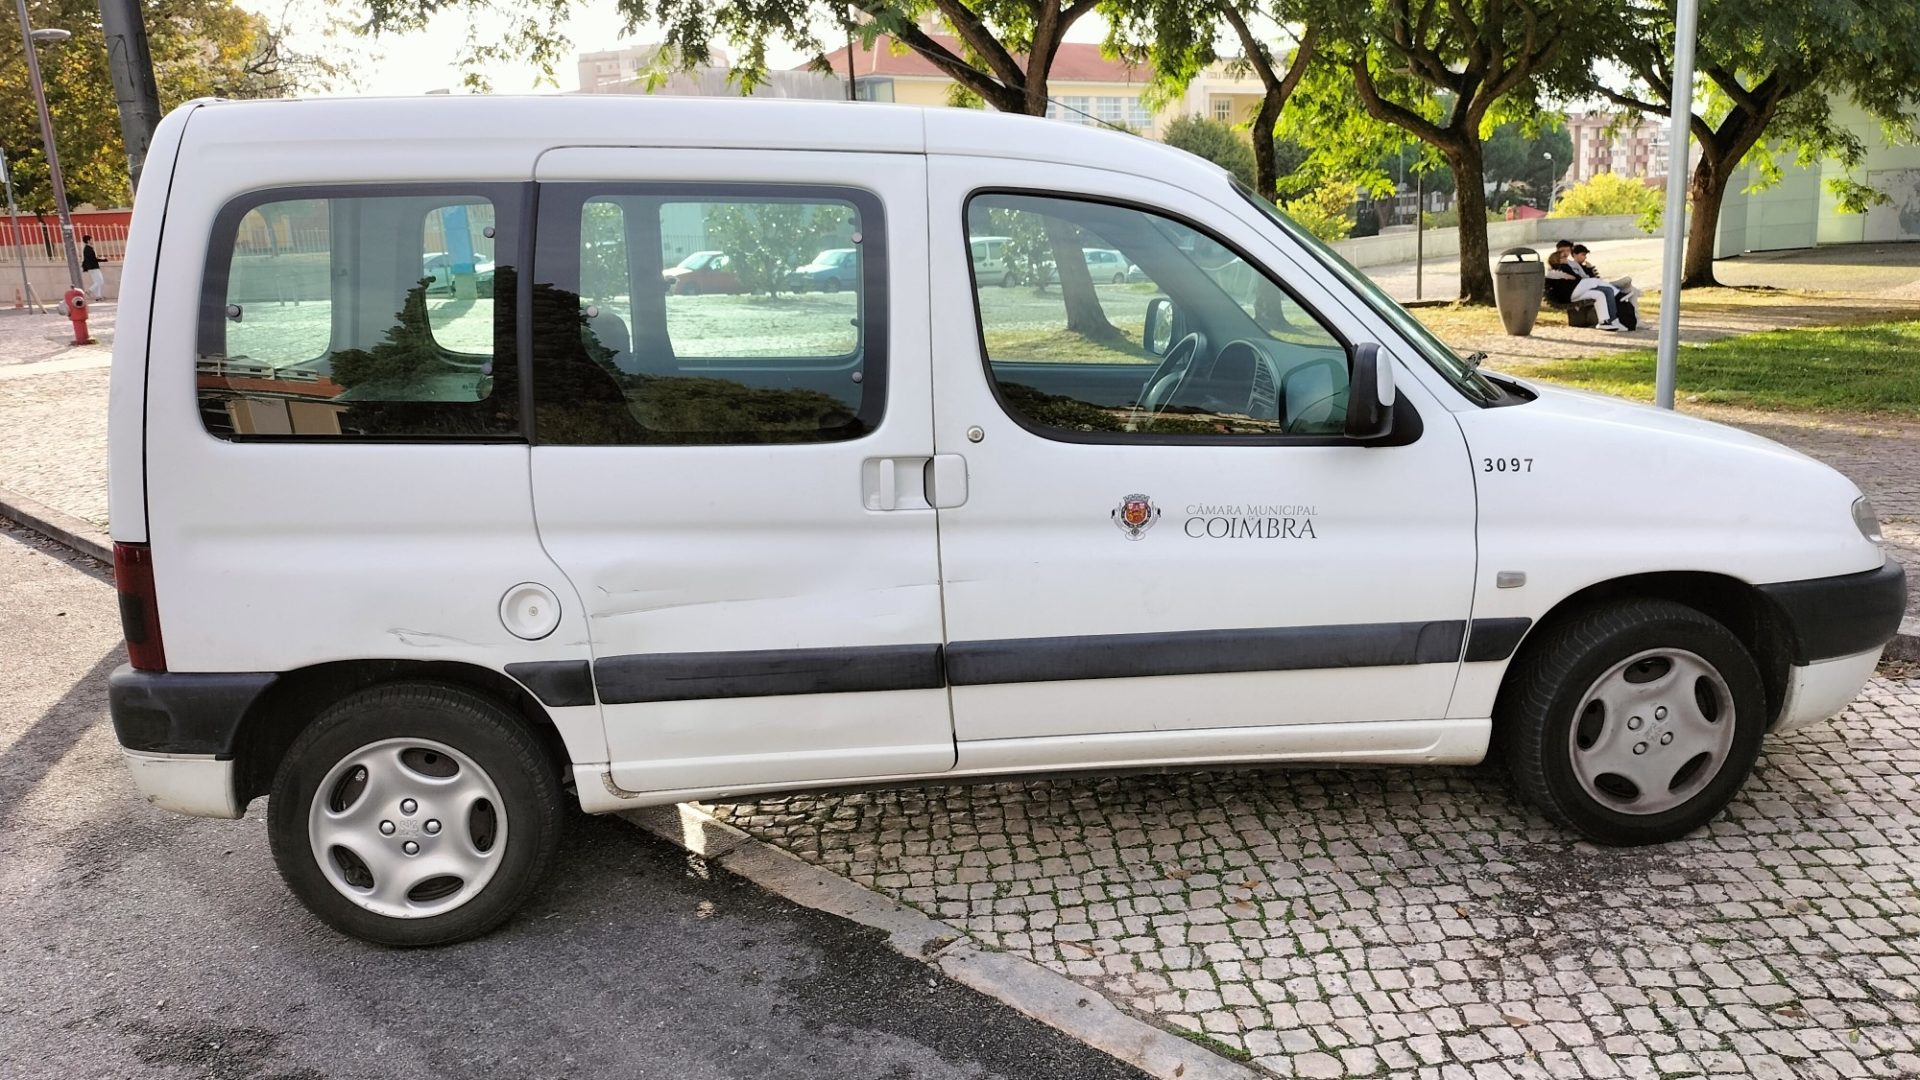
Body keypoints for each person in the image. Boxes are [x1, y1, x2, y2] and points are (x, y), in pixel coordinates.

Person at [1570, 244, 1640, 331]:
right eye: (1582, 255)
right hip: (1591, 288)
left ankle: (1632, 315)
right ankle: (1620, 293)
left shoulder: (1584, 266)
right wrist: (1588, 271)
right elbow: (1584, 281)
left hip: (1599, 286)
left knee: (1633, 290)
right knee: (1618, 285)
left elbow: (1594, 279)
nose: (1585, 258)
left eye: (1585, 255)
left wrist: (1589, 269)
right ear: (1574, 255)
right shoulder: (1572, 266)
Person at [81, 235, 105, 300]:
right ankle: (89, 291)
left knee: (97, 282)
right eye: (91, 240)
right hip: (93, 267)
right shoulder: (88, 249)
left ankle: (98, 296)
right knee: (100, 281)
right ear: (88, 241)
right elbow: (93, 259)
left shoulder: (87, 248)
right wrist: (103, 259)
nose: (92, 241)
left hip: (91, 268)